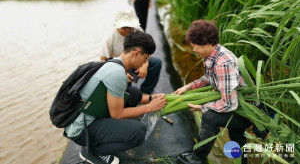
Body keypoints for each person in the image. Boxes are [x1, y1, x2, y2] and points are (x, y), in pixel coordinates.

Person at [64, 30, 166, 164]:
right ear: (136, 53)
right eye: (146, 58)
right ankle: (93, 152)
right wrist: (149, 108)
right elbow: (117, 115)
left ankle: (96, 143)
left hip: (84, 115)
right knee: (138, 132)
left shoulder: (114, 63)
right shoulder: (117, 73)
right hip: (81, 129)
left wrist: (151, 98)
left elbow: (125, 97)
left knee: (133, 93)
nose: (145, 62)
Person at [173, 20, 251, 164]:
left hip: (243, 110)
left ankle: (198, 158)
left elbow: (228, 104)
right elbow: (209, 78)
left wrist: (202, 107)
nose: (193, 50)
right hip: (239, 103)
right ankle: (242, 160)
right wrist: (188, 87)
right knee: (237, 137)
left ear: (206, 42)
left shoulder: (223, 63)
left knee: (209, 116)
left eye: (194, 46)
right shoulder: (212, 54)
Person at [100, 10, 162, 95]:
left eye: (131, 27)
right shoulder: (109, 38)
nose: (128, 30)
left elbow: (146, 49)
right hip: (120, 66)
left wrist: (145, 65)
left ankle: (146, 91)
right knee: (127, 91)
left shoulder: (137, 31)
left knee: (156, 63)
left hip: (137, 59)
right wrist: (122, 73)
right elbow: (103, 60)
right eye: (124, 28)